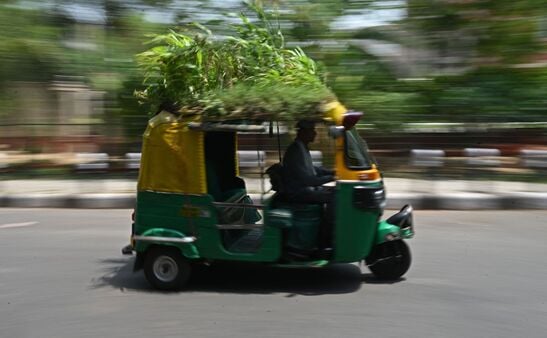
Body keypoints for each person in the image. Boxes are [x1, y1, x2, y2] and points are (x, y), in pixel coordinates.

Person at [282, 120, 335, 253]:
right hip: (298, 192)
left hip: (305, 189)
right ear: (303, 132)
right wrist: (332, 178)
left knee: (336, 192)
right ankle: (324, 240)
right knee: (335, 198)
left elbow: (314, 169)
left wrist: (333, 172)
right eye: (312, 130)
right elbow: (308, 180)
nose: (315, 133)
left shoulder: (302, 147)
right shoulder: (295, 150)